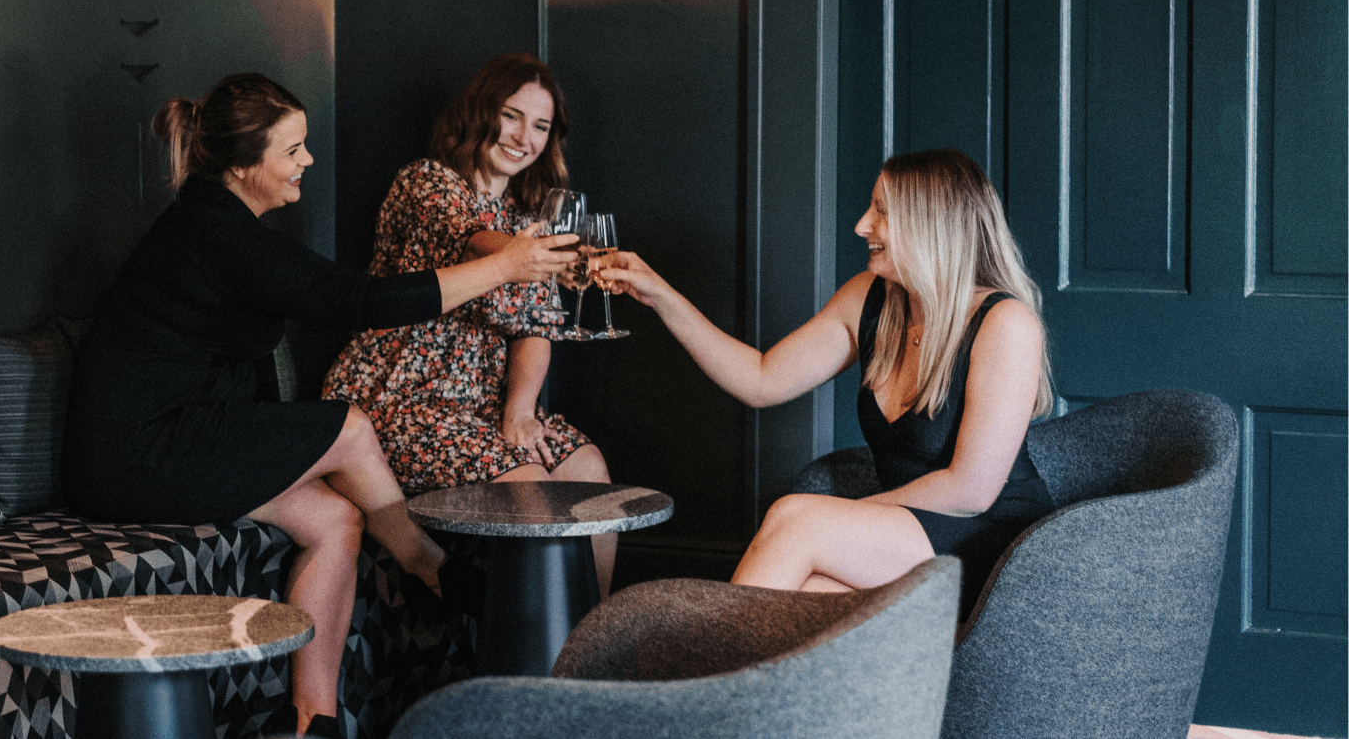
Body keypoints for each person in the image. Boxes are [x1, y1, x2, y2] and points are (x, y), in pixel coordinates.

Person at [61, 73, 576, 739]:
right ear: (243, 166)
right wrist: (504, 267)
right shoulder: (219, 236)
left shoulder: (220, 221)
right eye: (292, 150)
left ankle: (313, 720)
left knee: (336, 519)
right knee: (350, 428)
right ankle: (430, 568)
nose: (308, 159)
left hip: (179, 435)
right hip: (133, 453)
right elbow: (358, 302)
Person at [595, 148, 1056, 614]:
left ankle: (696, 661)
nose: (861, 225)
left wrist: (841, 516)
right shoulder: (870, 301)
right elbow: (760, 379)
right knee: (797, 601)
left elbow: (971, 491)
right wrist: (660, 296)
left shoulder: (1005, 323)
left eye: (881, 211)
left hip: (992, 548)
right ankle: (711, 660)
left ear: (931, 223)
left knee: (796, 518)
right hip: (907, 540)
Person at [322, 52, 617, 596]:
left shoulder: (527, 219)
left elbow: (536, 330)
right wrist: (527, 256)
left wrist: (519, 412)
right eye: (511, 116)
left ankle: (593, 634)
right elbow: (470, 237)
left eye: (541, 126)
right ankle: (529, 638)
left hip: (479, 409)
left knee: (589, 471)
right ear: (480, 113)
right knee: (531, 485)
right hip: (399, 399)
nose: (524, 137)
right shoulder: (426, 182)